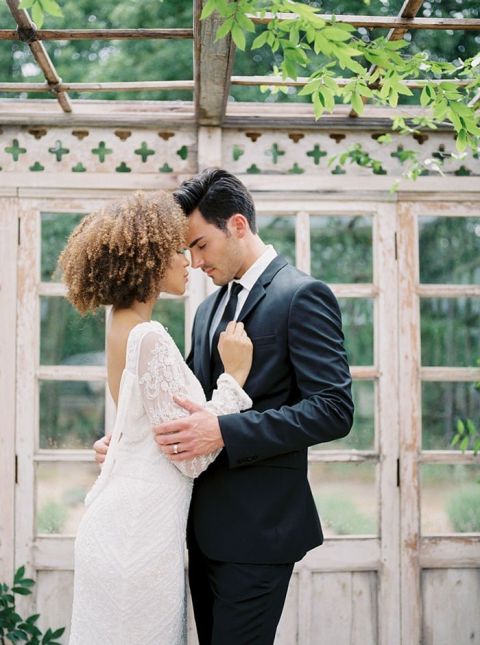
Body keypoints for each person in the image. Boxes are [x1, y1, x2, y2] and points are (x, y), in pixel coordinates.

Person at [153, 169, 354, 644]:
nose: (195, 260)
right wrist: (125, 440)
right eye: (188, 251)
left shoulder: (302, 295)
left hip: (260, 534)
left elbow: (333, 408)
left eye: (200, 245)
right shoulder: (206, 310)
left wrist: (226, 431)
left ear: (238, 225)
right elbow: (184, 400)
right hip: (200, 532)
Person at [60, 190, 254, 645]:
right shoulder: (148, 336)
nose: (188, 259)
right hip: (137, 534)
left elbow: (141, 430)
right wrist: (234, 378)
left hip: (128, 523)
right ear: (146, 259)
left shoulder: (119, 325)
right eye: (176, 250)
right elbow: (188, 455)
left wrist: (119, 445)